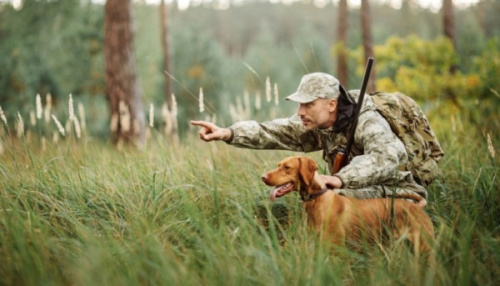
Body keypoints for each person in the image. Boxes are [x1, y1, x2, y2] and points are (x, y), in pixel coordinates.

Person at [190, 72, 427, 199]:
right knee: (323, 196)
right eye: (299, 105)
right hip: (357, 191)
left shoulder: (367, 120)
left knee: (333, 195)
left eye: (308, 105)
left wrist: (339, 180)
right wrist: (228, 133)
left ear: (332, 104)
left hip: (399, 191)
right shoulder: (317, 124)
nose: (300, 112)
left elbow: (385, 157)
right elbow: (273, 131)